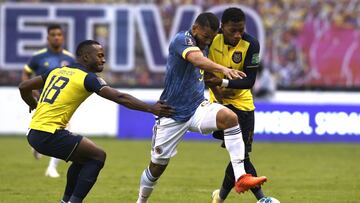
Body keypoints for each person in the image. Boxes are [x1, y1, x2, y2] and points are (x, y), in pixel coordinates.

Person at [19, 40, 174, 203]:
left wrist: (32, 103)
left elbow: (24, 86)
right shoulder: (87, 78)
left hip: (34, 132)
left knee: (83, 158)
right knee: (97, 156)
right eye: (100, 55)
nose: (103, 59)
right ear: (86, 57)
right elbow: (119, 97)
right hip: (48, 134)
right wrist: (150, 108)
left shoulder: (57, 71)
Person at [136, 12, 267, 203]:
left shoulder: (205, 44)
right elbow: (197, 60)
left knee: (230, 118)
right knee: (157, 167)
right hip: (171, 112)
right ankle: (141, 200)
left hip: (197, 107)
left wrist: (217, 88)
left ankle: (241, 177)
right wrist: (223, 70)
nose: (208, 41)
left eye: (211, 38)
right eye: (205, 37)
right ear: (195, 28)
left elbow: (203, 73)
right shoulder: (182, 40)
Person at [204, 7, 274, 203]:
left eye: (241, 30)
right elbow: (202, 70)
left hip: (243, 105)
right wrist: (217, 90)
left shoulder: (251, 44)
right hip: (219, 104)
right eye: (232, 30)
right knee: (240, 154)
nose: (237, 34)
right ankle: (262, 199)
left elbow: (249, 81)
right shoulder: (211, 39)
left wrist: (222, 82)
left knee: (239, 156)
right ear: (222, 27)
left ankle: (219, 198)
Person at [22, 24, 75, 178]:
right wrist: (31, 91)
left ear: (63, 37)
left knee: (64, 131)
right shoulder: (38, 57)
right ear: (48, 37)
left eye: (59, 34)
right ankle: (37, 146)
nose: (56, 37)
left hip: (62, 103)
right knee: (40, 128)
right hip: (42, 101)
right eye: (53, 34)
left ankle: (52, 167)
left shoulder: (69, 58)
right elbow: (26, 73)